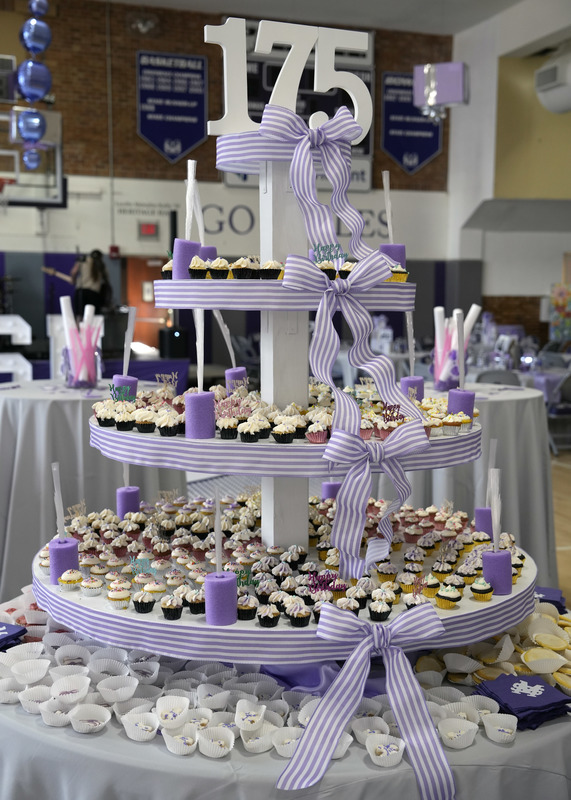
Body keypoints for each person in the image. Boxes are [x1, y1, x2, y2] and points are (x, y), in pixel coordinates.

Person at [70, 249, 110, 317]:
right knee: (92, 317)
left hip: (81, 292)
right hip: (93, 294)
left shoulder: (83, 260)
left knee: (79, 316)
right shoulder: (101, 264)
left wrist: (73, 280)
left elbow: (74, 272)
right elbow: (106, 279)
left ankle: (79, 327)